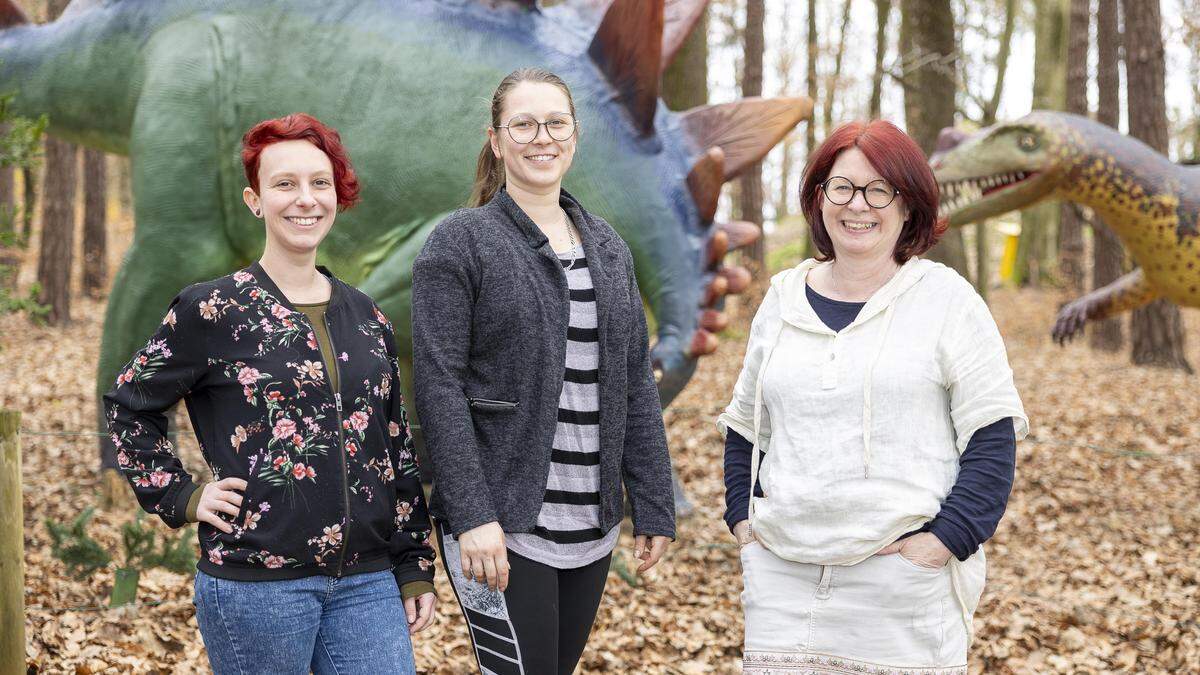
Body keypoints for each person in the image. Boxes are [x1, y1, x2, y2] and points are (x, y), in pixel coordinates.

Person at [104, 113, 436, 674]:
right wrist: (183, 496)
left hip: (368, 581)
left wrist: (412, 563)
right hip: (258, 584)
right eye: (284, 184)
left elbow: (394, 445)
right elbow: (129, 405)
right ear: (255, 200)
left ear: (337, 195)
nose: (304, 199)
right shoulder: (211, 310)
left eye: (319, 183)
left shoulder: (366, 315)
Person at [718, 119, 1029, 672]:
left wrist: (942, 543)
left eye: (878, 189)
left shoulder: (947, 301)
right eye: (841, 186)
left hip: (900, 587)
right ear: (819, 199)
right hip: (782, 580)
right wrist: (744, 522)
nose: (857, 204)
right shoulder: (782, 300)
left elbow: (992, 436)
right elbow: (748, 427)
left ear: (908, 205)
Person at [411, 68, 675, 675]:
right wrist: (473, 515)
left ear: (574, 135)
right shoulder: (460, 243)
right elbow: (440, 385)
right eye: (523, 124)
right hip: (501, 527)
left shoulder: (608, 248)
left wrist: (653, 502)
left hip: (592, 523)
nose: (541, 137)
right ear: (497, 140)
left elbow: (634, 381)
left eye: (555, 123)